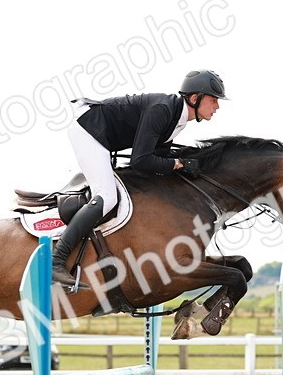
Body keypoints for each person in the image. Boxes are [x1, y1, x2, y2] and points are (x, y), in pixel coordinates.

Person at [51, 69, 228, 289]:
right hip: (90, 131)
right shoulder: (163, 110)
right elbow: (141, 160)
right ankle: (56, 261)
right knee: (107, 197)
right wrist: (179, 163)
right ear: (194, 98)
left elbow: (158, 156)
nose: (217, 106)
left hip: (103, 137)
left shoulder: (178, 119)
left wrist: (187, 163)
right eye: (213, 100)